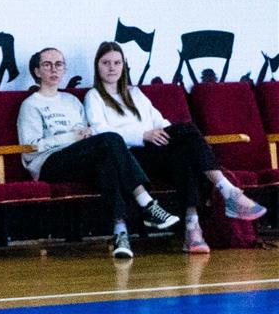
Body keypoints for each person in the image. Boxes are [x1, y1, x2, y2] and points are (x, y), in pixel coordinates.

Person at [85, 41, 266, 253]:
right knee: (186, 133)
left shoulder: (135, 93)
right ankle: (228, 193)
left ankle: (192, 226)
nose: (112, 68)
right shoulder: (94, 96)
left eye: (117, 63)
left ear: (124, 66)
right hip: (128, 159)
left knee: (184, 152)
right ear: (97, 65)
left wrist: (173, 137)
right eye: (106, 63)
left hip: (154, 151)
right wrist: (143, 135)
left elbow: (160, 121)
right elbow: (101, 132)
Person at [17, 47, 178, 258]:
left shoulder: (72, 101)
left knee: (108, 161)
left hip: (78, 158)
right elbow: (31, 148)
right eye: (47, 65)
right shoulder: (30, 104)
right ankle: (146, 202)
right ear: (37, 71)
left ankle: (120, 232)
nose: (54, 69)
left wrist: (85, 136)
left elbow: (89, 134)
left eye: (59, 64)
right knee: (111, 139)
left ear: (64, 69)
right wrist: (71, 137)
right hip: (49, 163)